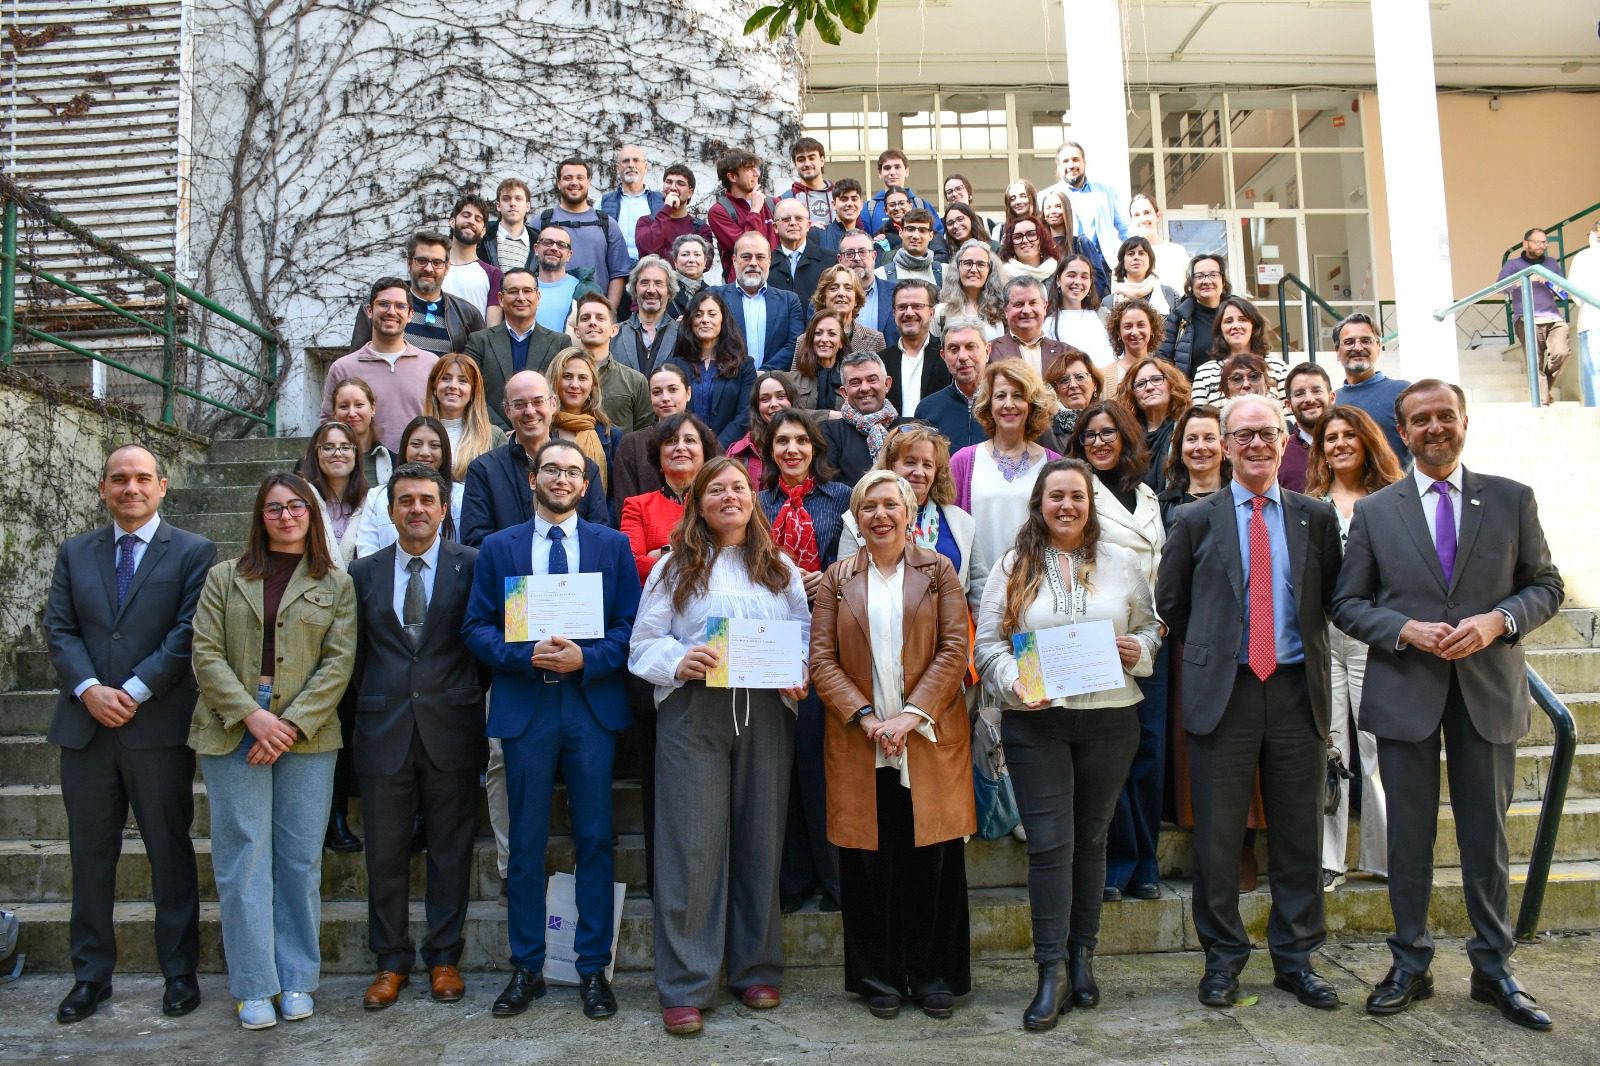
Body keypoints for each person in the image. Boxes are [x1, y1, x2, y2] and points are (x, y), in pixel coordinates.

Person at [1332, 380, 1563, 1030]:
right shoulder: (1376, 512)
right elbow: (1347, 603)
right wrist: (1403, 630)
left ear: (1464, 421)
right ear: (1402, 432)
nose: (1434, 428)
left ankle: (1493, 969)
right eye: (1420, 420)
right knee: (1408, 840)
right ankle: (1410, 963)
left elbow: (1546, 584)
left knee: (1485, 841)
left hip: (1487, 690)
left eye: (1445, 417)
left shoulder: (1512, 499)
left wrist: (1500, 621)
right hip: (1406, 692)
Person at [1155, 393, 1344, 1012]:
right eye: (1244, 436)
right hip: (1226, 693)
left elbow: (1331, 596)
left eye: (1268, 433)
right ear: (1227, 446)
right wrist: (1218, 646)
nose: (1256, 444)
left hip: (1296, 691)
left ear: (1286, 440)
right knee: (1216, 837)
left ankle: (1296, 959)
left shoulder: (1316, 517)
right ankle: (1223, 959)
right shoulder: (1195, 519)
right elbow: (1173, 604)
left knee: (1297, 833)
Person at [628, 458, 812, 1036]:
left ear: (753, 498)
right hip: (693, 711)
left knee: (760, 839)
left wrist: (799, 671)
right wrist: (678, 661)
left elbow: (804, 636)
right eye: (717, 489)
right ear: (698, 502)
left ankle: (756, 967)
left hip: (766, 714)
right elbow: (642, 645)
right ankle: (686, 984)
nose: (729, 496)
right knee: (692, 846)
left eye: (738, 487)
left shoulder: (782, 569)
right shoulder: (671, 568)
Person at [975, 458, 1159, 1030]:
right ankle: (1050, 969)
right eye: (1056, 496)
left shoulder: (1123, 563)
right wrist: (1014, 681)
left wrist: (1139, 649)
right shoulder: (1013, 564)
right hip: (1037, 722)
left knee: (1091, 839)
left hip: (1110, 719)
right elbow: (986, 646)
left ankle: (1084, 958)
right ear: (1039, 504)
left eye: (1077, 497)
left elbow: (1152, 628)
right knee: (1051, 844)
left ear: (1090, 504)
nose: (1067, 506)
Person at [462, 440, 641, 1021]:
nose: (561, 478)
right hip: (525, 706)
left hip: (589, 708)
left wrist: (586, 660)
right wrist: (525, 655)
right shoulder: (498, 547)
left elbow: (629, 628)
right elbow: (477, 628)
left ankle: (592, 969)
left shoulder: (611, 546)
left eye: (573, 471)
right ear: (533, 477)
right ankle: (527, 967)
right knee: (525, 845)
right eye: (551, 469)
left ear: (586, 485)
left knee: (594, 839)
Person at [44, 445, 214, 1025]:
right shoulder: (74, 552)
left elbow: (189, 630)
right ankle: (91, 976)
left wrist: (136, 690)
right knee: (91, 859)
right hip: (85, 729)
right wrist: (90, 689)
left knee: (170, 853)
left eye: (143, 478)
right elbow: (60, 630)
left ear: (163, 487)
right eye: (119, 479)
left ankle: (179, 972)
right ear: (102, 489)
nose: (131, 488)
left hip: (156, 727)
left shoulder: (194, 551)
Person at [190, 473, 356, 1029]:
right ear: (260, 518)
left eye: (295, 507)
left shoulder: (336, 583)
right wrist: (254, 717)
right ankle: (254, 984)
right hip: (232, 726)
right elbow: (205, 653)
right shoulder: (223, 578)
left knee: (300, 862)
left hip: (307, 735)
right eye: (273, 509)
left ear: (311, 514)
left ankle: (298, 978)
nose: (285, 517)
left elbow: (339, 663)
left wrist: (287, 724)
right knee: (243, 861)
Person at [811, 469, 974, 1020]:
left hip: (926, 737)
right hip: (861, 740)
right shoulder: (837, 577)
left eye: (890, 505)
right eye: (868, 507)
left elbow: (955, 649)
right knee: (868, 864)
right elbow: (822, 661)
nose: (880, 515)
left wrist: (909, 716)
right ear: (855, 518)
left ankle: (932, 974)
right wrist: (864, 717)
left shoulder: (938, 570)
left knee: (932, 860)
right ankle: (878, 976)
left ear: (909, 512)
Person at [347, 463, 485, 1010]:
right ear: (390, 508)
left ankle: (444, 957)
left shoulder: (470, 565)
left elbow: (482, 645)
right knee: (384, 851)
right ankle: (390, 961)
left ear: (444, 507)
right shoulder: (362, 572)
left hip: (452, 726)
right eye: (406, 501)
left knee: (450, 850)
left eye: (427, 500)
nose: (417, 509)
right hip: (382, 728)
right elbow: (353, 654)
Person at [1066, 402, 1167, 903]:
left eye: (1109, 434)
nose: (1100, 442)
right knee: (1110, 760)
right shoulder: (1077, 495)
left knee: (1148, 756)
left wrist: (1154, 631)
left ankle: (1146, 863)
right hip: (1096, 644)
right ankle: (1114, 862)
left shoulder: (1147, 495)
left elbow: (1160, 572)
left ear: (1127, 438)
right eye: (1089, 436)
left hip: (1148, 640)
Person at [1303, 405, 1402, 892]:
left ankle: (1385, 857)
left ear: (1367, 441)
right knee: (1331, 747)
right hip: (1325, 636)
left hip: (1373, 637)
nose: (1339, 444)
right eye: (1329, 437)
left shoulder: (1391, 499)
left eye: (1348, 436)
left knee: (1377, 747)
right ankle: (1330, 859)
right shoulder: (1312, 502)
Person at [758, 409, 853, 917]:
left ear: (814, 447)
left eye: (800, 441)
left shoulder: (841, 499)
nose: (791, 450)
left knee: (820, 762)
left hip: (829, 637)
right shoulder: (757, 504)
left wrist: (829, 577)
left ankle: (833, 879)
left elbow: (859, 557)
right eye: (781, 442)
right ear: (769, 451)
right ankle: (792, 880)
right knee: (785, 762)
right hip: (772, 640)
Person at [950, 360, 1061, 608]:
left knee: (1029, 649)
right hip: (979, 600)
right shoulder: (963, 462)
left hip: (1040, 598)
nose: (1009, 404)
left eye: (1018, 395)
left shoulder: (1054, 465)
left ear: (1031, 404)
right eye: (1000, 396)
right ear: (989, 404)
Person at [460, 370, 608, 548]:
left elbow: (598, 536)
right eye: (519, 404)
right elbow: (476, 542)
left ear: (553, 404)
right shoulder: (484, 470)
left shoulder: (585, 468)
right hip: (510, 574)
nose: (530, 412)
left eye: (538, 401)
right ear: (507, 411)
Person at [837, 423, 976, 591]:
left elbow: (979, 586)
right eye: (910, 462)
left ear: (937, 472)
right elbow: (845, 585)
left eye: (927, 465)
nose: (919, 472)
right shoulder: (858, 519)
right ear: (890, 465)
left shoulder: (962, 522)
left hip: (949, 615)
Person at [323, 277, 439, 453]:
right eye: (383, 304)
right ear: (370, 310)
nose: (391, 311)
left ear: (410, 315)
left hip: (419, 467)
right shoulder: (343, 368)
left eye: (400, 306)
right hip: (362, 468)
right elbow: (328, 424)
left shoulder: (431, 364)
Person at [465, 267, 572, 430]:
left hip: (543, 434)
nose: (521, 298)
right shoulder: (479, 341)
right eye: (513, 291)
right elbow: (472, 392)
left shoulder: (560, 343)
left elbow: (562, 394)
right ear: (500, 298)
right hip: (490, 436)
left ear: (538, 296)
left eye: (527, 291)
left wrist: (534, 427)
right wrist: (501, 431)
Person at [621, 413, 720, 585]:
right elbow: (630, 565)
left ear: (705, 453)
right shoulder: (637, 506)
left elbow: (727, 559)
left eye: (689, 440)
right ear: (658, 456)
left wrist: (663, 555)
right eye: (671, 441)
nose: (680, 447)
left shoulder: (718, 502)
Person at [349, 233, 485, 354]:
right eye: (421, 261)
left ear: (447, 267)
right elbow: (356, 361)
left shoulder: (468, 314)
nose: (428, 268)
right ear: (409, 263)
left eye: (437, 262)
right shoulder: (379, 308)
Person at [353, 416, 462, 557]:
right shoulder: (376, 496)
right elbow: (367, 551)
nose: (424, 452)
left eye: (434, 446)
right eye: (416, 444)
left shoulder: (462, 496)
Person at [663, 289, 758, 448]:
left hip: (729, 454)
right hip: (683, 450)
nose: (705, 320)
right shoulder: (674, 366)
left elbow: (745, 415)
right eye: (698, 314)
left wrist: (716, 448)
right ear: (690, 321)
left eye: (712, 314)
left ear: (723, 320)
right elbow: (669, 412)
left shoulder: (744, 365)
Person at [541, 157, 630, 306]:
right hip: (550, 307)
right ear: (558, 183)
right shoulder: (543, 221)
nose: (574, 182)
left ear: (588, 182)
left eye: (580, 178)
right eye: (567, 178)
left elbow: (618, 274)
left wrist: (609, 311)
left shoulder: (607, 224)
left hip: (594, 313)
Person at [1496, 227, 1570, 404]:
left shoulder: (1552, 263)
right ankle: (1542, 401)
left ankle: (1545, 390)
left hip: (1553, 317)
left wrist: (1552, 282)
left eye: (1544, 242)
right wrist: (1526, 279)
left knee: (1562, 353)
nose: (1542, 246)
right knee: (1534, 362)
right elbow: (1499, 286)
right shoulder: (1512, 265)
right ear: (1525, 243)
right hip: (1526, 318)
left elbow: (1563, 288)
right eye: (1537, 242)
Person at [610, 362, 694, 513]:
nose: (665, 398)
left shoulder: (705, 440)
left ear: (688, 393)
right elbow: (625, 504)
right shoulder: (632, 444)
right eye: (657, 392)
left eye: (673, 390)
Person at [714, 231, 805, 371]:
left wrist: (764, 375)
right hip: (729, 383)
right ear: (734, 260)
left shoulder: (789, 301)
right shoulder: (715, 297)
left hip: (775, 385)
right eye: (746, 257)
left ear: (769, 260)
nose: (753, 263)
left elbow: (795, 344)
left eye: (760, 257)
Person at [819, 351, 910, 486]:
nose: (865, 388)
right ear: (844, 392)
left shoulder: (910, 429)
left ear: (887, 384)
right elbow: (829, 486)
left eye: (872, 380)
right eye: (855, 383)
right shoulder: (828, 432)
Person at [1331, 312, 1410, 465]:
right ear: (1337, 352)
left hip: (1397, 487)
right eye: (1349, 342)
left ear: (1379, 347)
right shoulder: (1332, 401)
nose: (1358, 347)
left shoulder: (1403, 393)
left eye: (1366, 341)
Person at [1037, 142, 1132, 269]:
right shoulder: (1046, 196)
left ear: (1084, 163)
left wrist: (1133, 254)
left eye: (1075, 160)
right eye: (1065, 161)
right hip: (1065, 265)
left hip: (1103, 267)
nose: (1071, 165)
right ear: (1058, 166)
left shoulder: (1106, 193)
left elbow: (1126, 228)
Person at [547, 345, 625, 494]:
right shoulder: (542, 430)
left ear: (592, 386)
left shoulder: (612, 436)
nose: (574, 385)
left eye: (582, 378)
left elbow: (615, 495)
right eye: (567, 376)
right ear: (555, 380)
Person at [570, 293, 652, 430]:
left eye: (600, 318)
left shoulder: (634, 381)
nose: (592, 322)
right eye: (585, 318)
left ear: (614, 330)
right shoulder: (562, 377)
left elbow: (644, 435)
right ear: (577, 331)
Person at [1190, 297, 1290, 408]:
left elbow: (1289, 418)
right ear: (1220, 329)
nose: (1236, 326)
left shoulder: (1277, 367)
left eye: (1243, 320)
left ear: (1254, 326)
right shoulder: (1204, 373)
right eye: (1229, 321)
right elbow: (1198, 420)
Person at [916, 317, 992, 451]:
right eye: (954, 349)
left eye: (970, 347)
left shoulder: (1005, 403)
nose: (962, 356)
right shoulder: (927, 409)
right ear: (943, 356)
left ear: (987, 351)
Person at [298, 421, 368, 565]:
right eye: (328, 447)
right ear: (315, 453)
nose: (337, 453)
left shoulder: (370, 502)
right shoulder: (300, 499)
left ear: (355, 454)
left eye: (345, 447)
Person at [879, 279, 949, 417]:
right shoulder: (880, 361)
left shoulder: (948, 356)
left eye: (917, 306)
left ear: (931, 313)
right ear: (894, 314)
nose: (909, 313)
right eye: (902, 307)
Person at [706, 148, 777, 283]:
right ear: (732, 177)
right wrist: (755, 211)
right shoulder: (719, 212)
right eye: (749, 169)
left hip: (777, 283)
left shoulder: (773, 204)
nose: (757, 173)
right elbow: (748, 246)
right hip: (743, 285)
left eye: (756, 168)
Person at [1157, 254, 1231, 378]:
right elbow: (1162, 363)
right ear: (1191, 282)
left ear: (1223, 280)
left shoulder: (1240, 313)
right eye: (1199, 276)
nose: (1206, 281)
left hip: (1238, 392)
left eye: (1213, 274)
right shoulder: (1178, 319)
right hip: (1193, 394)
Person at [424, 353, 497, 479]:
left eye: (463, 381)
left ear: (473, 391)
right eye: (445, 378)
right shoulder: (416, 431)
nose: (453, 386)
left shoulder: (493, 436)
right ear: (434, 386)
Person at [1156, 404, 1227, 530]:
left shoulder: (1241, 500)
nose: (1200, 447)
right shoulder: (1162, 505)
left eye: (1209, 438)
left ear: (1224, 447)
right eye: (1192, 439)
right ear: (1180, 449)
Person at [726, 370, 796, 487]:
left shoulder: (811, 444)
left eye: (781, 396)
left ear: (792, 400)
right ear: (756, 407)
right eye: (765, 399)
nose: (773, 404)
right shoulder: (739, 452)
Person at [613, 255, 682, 374]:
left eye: (658, 283)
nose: (651, 290)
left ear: (669, 291)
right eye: (644, 283)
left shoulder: (683, 335)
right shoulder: (613, 335)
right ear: (634, 289)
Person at [441, 195, 503, 325]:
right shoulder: (434, 267)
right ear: (452, 222)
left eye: (478, 219)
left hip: (473, 345)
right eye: (466, 215)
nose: (471, 221)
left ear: (483, 231)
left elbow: (492, 330)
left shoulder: (493, 275)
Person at [993, 276, 1072, 377]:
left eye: (1033, 303)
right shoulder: (990, 352)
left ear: (1044, 307)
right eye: (1019, 304)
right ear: (1006, 311)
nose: (1027, 310)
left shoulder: (1066, 353)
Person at [1037, 188, 1111, 297]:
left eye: (1058, 206)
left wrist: (1085, 303)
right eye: (1048, 208)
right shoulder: (1039, 248)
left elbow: (1099, 279)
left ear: (1066, 210)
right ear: (1043, 214)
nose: (1053, 211)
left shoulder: (1081, 243)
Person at [1043, 255, 1113, 368]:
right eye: (1071, 275)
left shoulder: (1103, 315)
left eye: (1084, 277)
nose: (1077, 282)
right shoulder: (1046, 321)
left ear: (1090, 283)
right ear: (1058, 280)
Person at [532, 225, 603, 333]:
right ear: (536, 249)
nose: (554, 248)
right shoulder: (522, 288)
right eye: (547, 242)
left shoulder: (587, 290)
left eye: (561, 245)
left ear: (569, 255)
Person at [600, 144, 663, 267]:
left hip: (650, 270)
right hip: (614, 271)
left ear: (645, 167)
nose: (631, 165)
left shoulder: (661, 202)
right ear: (617, 168)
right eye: (626, 161)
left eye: (636, 160)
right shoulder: (602, 203)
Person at [833, 230, 898, 346]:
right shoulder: (825, 298)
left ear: (874, 256)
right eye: (849, 253)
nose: (857, 258)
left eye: (863, 252)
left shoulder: (897, 294)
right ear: (839, 259)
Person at [635, 164, 712, 262]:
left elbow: (706, 261)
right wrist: (667, 209)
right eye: (668, 182)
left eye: (680, 183)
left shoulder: (700, 228)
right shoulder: (646, 222)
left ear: (690, 193)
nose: (673, 187)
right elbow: (646, 250)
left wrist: (659, 254)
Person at [328, 377, 391, 490]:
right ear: (334, 413)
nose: (352, 413)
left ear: (372, 409)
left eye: (359, 405)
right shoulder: (318, 461)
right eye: (344, 406)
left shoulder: (392, 461)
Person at [935, 240, 1006, 341]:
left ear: (990, 270)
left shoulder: (1001, 312)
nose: (973, 269)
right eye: (967, 263)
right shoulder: (941, 312)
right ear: (957, 268)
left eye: (980, 264)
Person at [814, 260, 889, 354]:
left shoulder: (875, 340)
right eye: (834, 288)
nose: (841, 293)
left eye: (848, 288)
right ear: (823, 298)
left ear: (856, 299)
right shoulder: (807, 339)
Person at [1281, 361, 1333, 494]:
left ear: (1332, 397)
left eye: (1317, 391)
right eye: (1299, 394)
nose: (1309, 399)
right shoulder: (1280, 453)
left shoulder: (1354, 446)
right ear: (1288, 405)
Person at [862, 150, 942, 236]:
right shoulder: (869, 209)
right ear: (880, 173)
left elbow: (938, 237)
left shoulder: (922, 205)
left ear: (906, 172)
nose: (892, 172)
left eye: (897, 167)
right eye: (887, 168)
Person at [769, 197, 830, 308]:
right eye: (786, 219)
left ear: (808, 225)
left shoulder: (830, 261)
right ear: (775, 227)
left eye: (798, 218)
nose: (793, 223)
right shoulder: (766, 264)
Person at [1041, 348, 1104, 448]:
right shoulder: (1044, 428)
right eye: (1064, 380)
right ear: (1056, 389)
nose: (1073, 385)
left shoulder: (1109, 419)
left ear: (1095, 384)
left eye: (1080, 377)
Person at [790, 311, 848, 414]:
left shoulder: (851, 381)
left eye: (832, 334)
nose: (824, 339)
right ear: (811, 340)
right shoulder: (790, 381)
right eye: (818, 333)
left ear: (841, 342)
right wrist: (829, 416)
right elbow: (788, 415)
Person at [1128, 194, 1190, 286]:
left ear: (1158, 216)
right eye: (1137, 215)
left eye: (1146, 213)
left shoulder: (1178, 252)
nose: (1142, 219)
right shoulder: (1126, 256)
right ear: (1132, 221)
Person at [1104, 297, 1164, 392]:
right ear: (1118, 333)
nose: (1135, 332)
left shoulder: (1166, 372)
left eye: (1141, 325)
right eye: (1128, 326)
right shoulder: (1104, 377)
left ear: (1152, 329)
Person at [1110, 235, 1179, 317]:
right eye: (1131, 254)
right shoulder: (1110, 302)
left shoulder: (1170, 296)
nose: (1136, 257)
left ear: (1150, 259)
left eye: (1141, 253)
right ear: (1122, 261)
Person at [875, 208, 944, 288]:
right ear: (901, 232)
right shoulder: (880, 275)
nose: (915, 236)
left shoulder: (945, 273)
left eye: (922, 230)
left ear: (931, 236)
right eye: (910, 229)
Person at [480, 177, 535, 273]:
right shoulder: (482, 236)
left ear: (528, 206)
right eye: (506, 199)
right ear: (498, 206)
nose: (512, 203)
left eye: (518, 199)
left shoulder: (537, 241)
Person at [780, 136, 834, 229]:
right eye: (801, 160)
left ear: (822, 160)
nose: (807, 164)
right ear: (795, 164)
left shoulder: (838, 194)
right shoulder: (787, 198)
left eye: (811, 158)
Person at [998, 216, 1059, 286]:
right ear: (1011, 244)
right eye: (1018, 237)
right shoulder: (1000, 277)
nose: (1025, 240)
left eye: (1031, 234)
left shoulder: (1058, 272)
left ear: (1041, 240)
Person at [818, 178, 870, 254]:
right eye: (844, 199)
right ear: (834, 204)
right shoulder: (819, 236)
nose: (849, 204)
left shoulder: (867, 240)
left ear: (861, 204)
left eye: (854, 199)